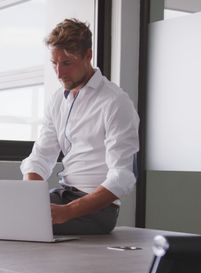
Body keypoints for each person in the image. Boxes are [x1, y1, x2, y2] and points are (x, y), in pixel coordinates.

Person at [20, 18, 139, 235]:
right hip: (63, 195)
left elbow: (123, 176)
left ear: (88, 56)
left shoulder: (115, 102)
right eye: (54, 63)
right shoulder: (58, 100)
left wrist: (68, 212)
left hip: (97, 210)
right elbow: (40, 158)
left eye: (66, 63)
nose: (59, 73)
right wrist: (32, 201)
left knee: (20, 227)